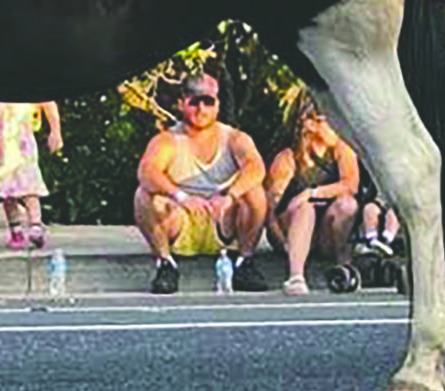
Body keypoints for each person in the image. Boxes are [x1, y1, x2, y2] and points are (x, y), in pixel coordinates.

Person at [134, 71, 268, 293]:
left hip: (222, 220)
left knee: (255, 192)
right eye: (194, 102)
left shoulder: (235, 138)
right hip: (181, 221)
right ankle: (165, 263)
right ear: (181, 104)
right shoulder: (167, 140)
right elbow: (147, 171)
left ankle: (245, 262)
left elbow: (256, 167)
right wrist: (181, 197)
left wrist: (229, 196)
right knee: (143, 196)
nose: (201, 109)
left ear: (217, 105)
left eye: (208, 101)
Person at [266, 95, 363, 293]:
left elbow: (350, 184)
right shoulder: (288, 159)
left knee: (347, 204)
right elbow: (269, 210)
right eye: (329, 121)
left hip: (326, 231)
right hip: (292, 229)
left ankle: (343, 264)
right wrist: (283, 242)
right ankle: (296, 276)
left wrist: (311, 192)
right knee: (305, 209)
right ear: (310, 123)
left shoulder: (342, 149)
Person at [0, 100, 62, 251]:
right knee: (6, 191)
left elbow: (48, 103)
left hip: (22, 144)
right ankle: (16, 230)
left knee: (28, 184)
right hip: (0, 148)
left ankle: (35, 224)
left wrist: (55, 131)